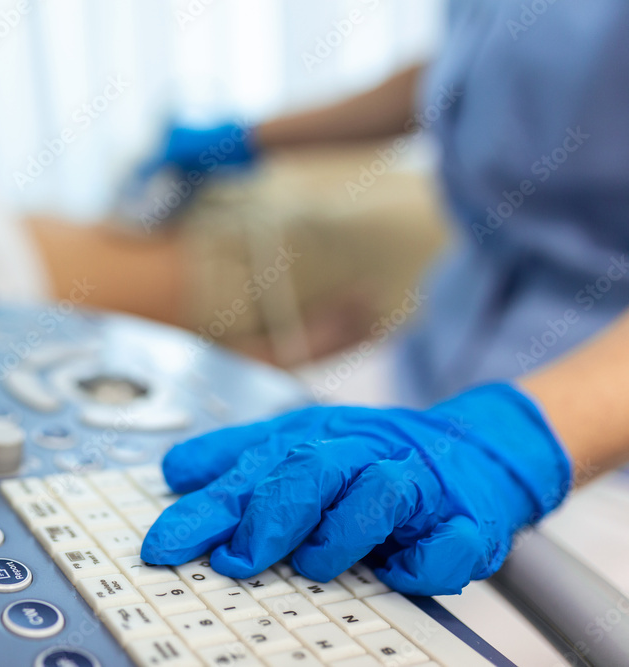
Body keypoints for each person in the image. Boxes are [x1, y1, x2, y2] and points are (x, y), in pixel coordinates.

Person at [141, 0, 629, 594]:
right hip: (427, 360)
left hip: (595, 445)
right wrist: (249, 136)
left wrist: (514, 442)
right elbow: (473, 71)